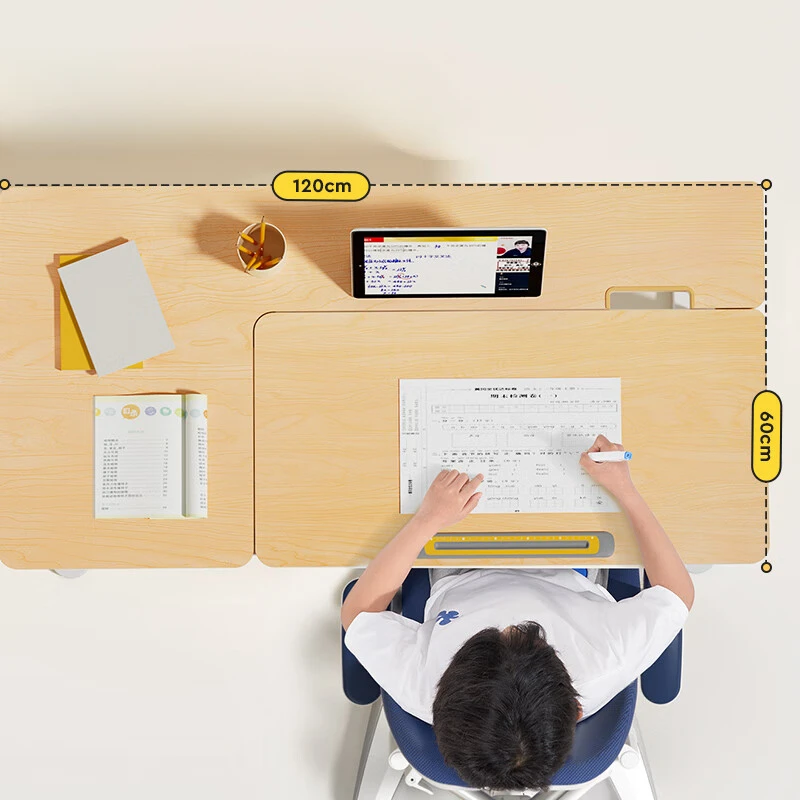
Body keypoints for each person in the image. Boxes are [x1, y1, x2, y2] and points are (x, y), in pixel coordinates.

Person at [341, 434, 694, 793]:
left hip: (457, 563)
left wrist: (426, 520)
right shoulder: (607, 658)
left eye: (492, 635)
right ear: (577, 709)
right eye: (526, 636)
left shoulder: (420, 685)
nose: (509, 623)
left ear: (439, 702)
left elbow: (356, 614)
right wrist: (626, 490)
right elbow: (676, 595)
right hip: (567, 563)